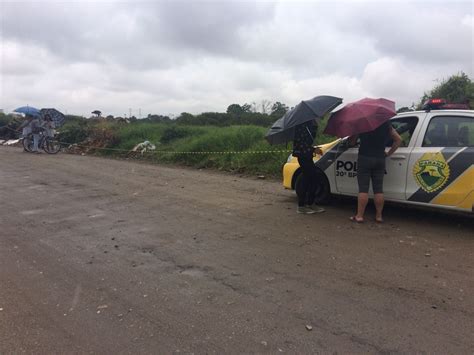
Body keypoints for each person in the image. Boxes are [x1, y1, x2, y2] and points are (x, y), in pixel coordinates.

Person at [349, 121, 402, 223]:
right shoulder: (386, 124)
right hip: (380, 159)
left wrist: (355, 132)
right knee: (378, 189)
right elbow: (398, 140)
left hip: (364, 158)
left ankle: (359, 216)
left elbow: (351, 143)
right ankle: (379, 216)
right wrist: (388, 153)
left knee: (363, 189)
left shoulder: (361, 124)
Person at [292, 119, 325, 214]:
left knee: (313, 178)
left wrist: (315, 126)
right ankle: (301, 206)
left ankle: (310, 203)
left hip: (307, 155)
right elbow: (300, 145)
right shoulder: (301, 126)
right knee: (308, 179)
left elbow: (309, 141)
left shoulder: (310, 125)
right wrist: (313, 150)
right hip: (303, 156)